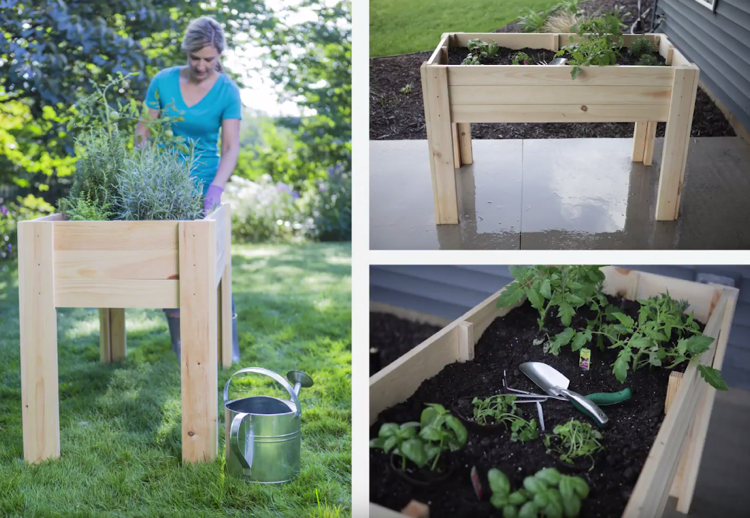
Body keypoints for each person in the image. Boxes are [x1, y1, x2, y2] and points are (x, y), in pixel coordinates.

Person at [135, 16, 241, 361]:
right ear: (187, 53)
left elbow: (231, 147)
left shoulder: (228, 90)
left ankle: (227, 344)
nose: (201, 65)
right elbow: (143, 133)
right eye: (195, 57)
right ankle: (181, 345)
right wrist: (145, 171)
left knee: (213, 261)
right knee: (171, 264)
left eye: (208, 59)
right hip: (164, 187)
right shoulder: (163, 82)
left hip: (206, 183)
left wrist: (216, 187)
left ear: (220, 54)